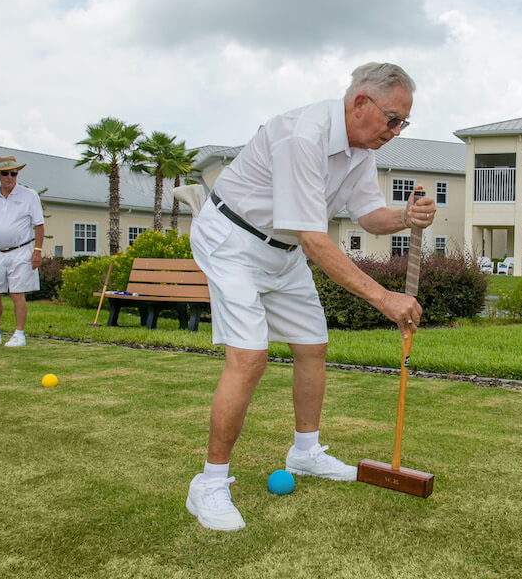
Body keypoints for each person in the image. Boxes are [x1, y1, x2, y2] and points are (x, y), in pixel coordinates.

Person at [184, 62, 436, 531]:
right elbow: (316, 242)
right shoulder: (303, 135)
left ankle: (305, 453)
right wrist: (385, 299)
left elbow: (368, 216)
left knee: (312, 346)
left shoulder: (361, 148)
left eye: (403, 122)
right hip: (231, 240)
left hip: (283, 249)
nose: (396, 131)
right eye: (392, 119)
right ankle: (209, 484)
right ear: (360, 102)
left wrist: (405, 216)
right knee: (249, 356)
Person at [0, 155, 44, 348]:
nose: (10, 177)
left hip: (21, 251)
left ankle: (19, 334)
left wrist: (37, 250)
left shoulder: (30, 196)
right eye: (5, 173)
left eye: (14, 173)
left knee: (17, 293)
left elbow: (39, 225)